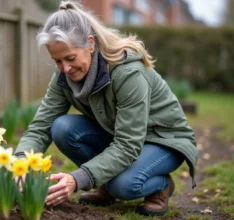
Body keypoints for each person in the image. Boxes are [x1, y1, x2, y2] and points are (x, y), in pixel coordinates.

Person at [14, 0, 198, 216]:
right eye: (57, 61)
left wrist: (78, 178)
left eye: (70, 58)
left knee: (124, 185)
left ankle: (160, 185)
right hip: (121, 135)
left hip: (163, 139)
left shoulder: (127, 73)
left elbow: (128, 144)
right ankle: (106, 185)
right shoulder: (64, 76)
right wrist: (20, 163)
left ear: (90, 44)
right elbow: (41, 126)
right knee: (62, 127)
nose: (65, 68)